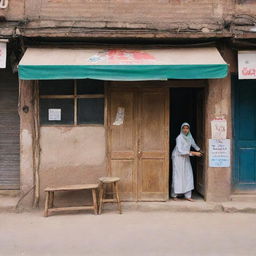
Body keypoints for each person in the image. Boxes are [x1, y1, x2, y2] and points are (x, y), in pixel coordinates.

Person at [171, 122, 202, 202]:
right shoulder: (179, 137)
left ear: (189, 129)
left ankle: (188, 196)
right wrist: (194, 153)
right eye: (184, 128)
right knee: (178, 175)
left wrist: (200, 150)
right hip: (178, 158)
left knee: (188, 175)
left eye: (187, 128)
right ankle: (174, 195)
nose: (185, 130)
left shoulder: (190, 137)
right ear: (181, 129)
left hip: (186, 157)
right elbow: (180, 151)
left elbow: (194, 145)